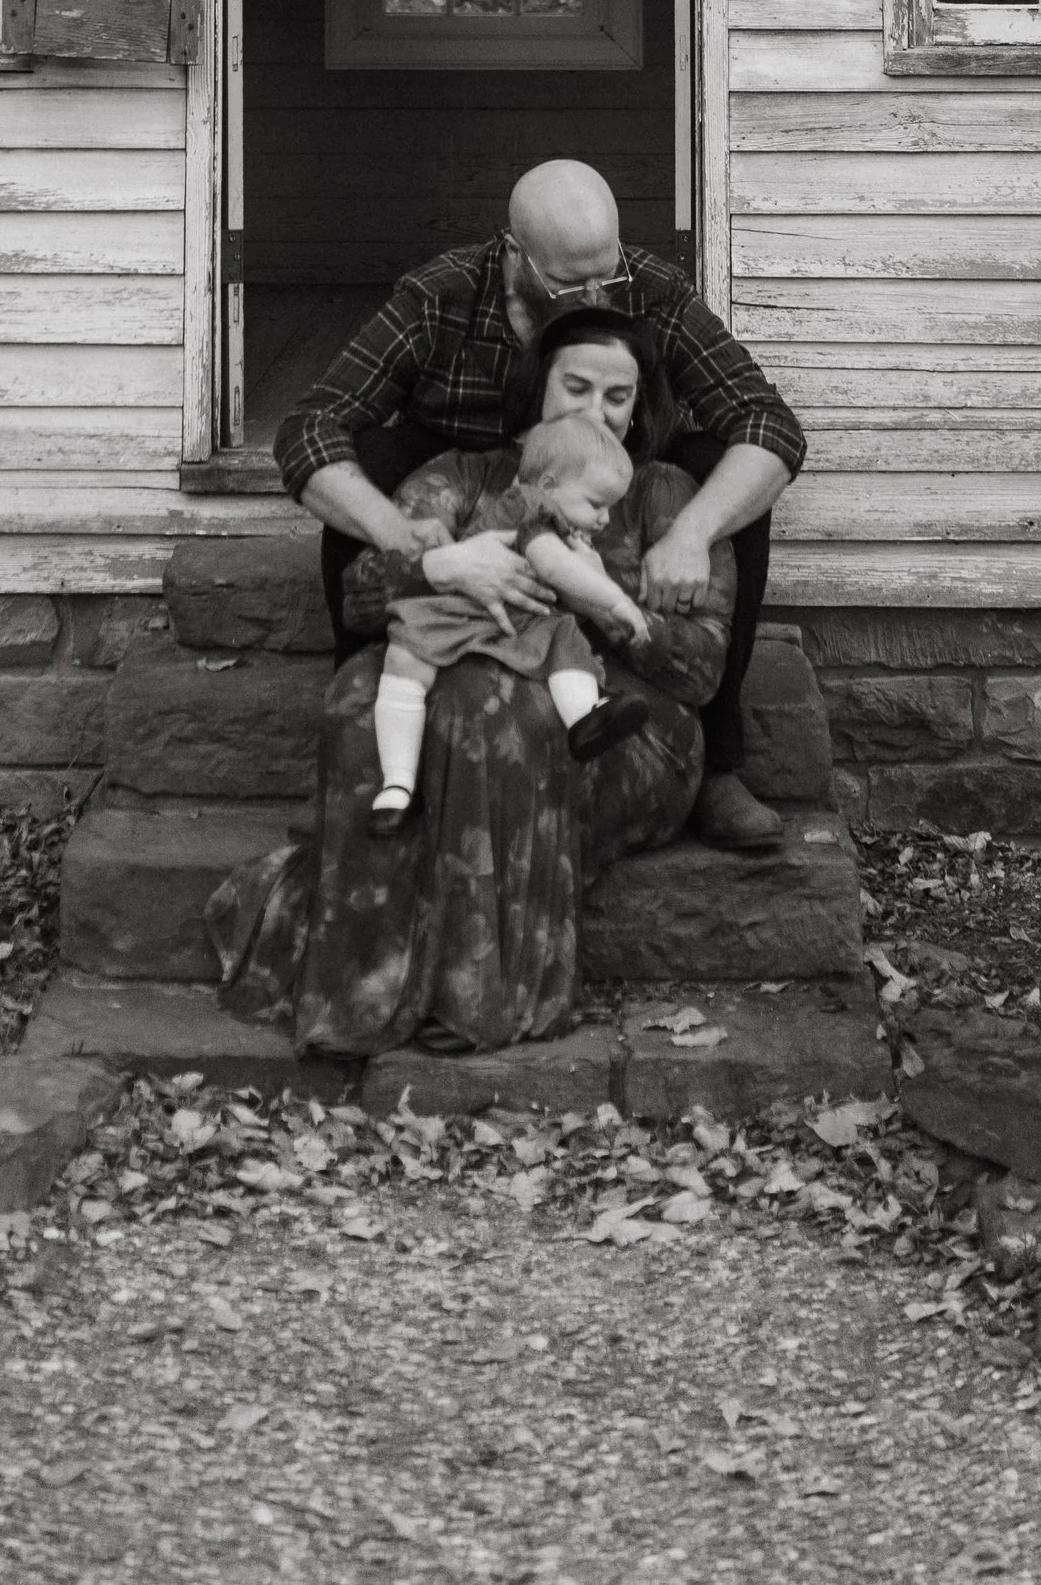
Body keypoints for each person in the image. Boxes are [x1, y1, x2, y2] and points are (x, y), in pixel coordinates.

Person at [213, 311, 732, 1053]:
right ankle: (361, 982)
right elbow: (362, 595)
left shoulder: (663, 496)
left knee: (500, 718)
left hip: (617, 714)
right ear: (536, 386)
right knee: (364, 703)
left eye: (617, 396)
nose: (595, 411)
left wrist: (604, 607)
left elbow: (702, 670)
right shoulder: (461, 476)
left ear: (640, 404)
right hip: (455, 665)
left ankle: (483, 995)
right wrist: (435, 565)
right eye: (576, 386)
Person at [274, 157, 806, 852]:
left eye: (605, 275)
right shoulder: (441, 295)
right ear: (516, 255)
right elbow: (311, 426)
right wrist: (407, 537)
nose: (595, 293)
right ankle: (369, 746)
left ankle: (719, 763)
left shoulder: (650, 287)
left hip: (613, 484)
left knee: (728, 474)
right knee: (364, 462)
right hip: (466, 476)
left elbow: (767, 422)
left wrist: (692, 535)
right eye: (570, 281)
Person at [369, 412, 652, 827]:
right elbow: (552, 567)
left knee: (563, 637)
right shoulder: (530, 506)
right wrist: (617, 600)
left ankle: (586, 719)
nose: (606, 518)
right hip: (464, 610)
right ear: (550, 486)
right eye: (597, 504)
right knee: (406, 660)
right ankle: (396, 783)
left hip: (514, 619)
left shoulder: (559, 521)